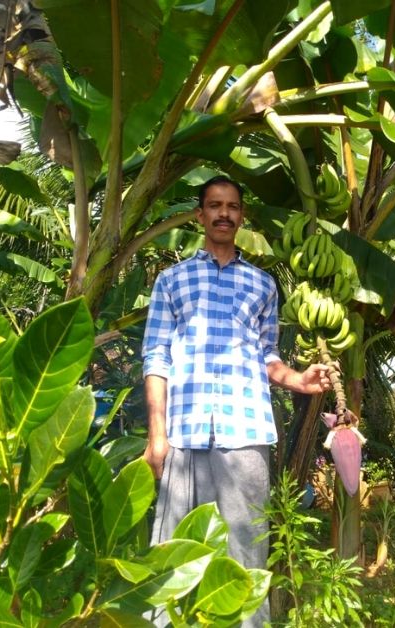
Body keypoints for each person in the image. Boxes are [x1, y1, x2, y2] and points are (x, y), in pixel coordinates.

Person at [141, 175, 330, 627]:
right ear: (200, 214)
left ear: (241, 216)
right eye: (214, 205)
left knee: (246, 552)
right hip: (183, 435)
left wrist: (300, 380)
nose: (223, 213)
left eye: (232, 207)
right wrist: (157, 436)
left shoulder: (262, 285)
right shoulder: (172, 280)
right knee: (172, 555)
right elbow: (156, 358)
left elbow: (267, 357)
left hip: (245, 433)